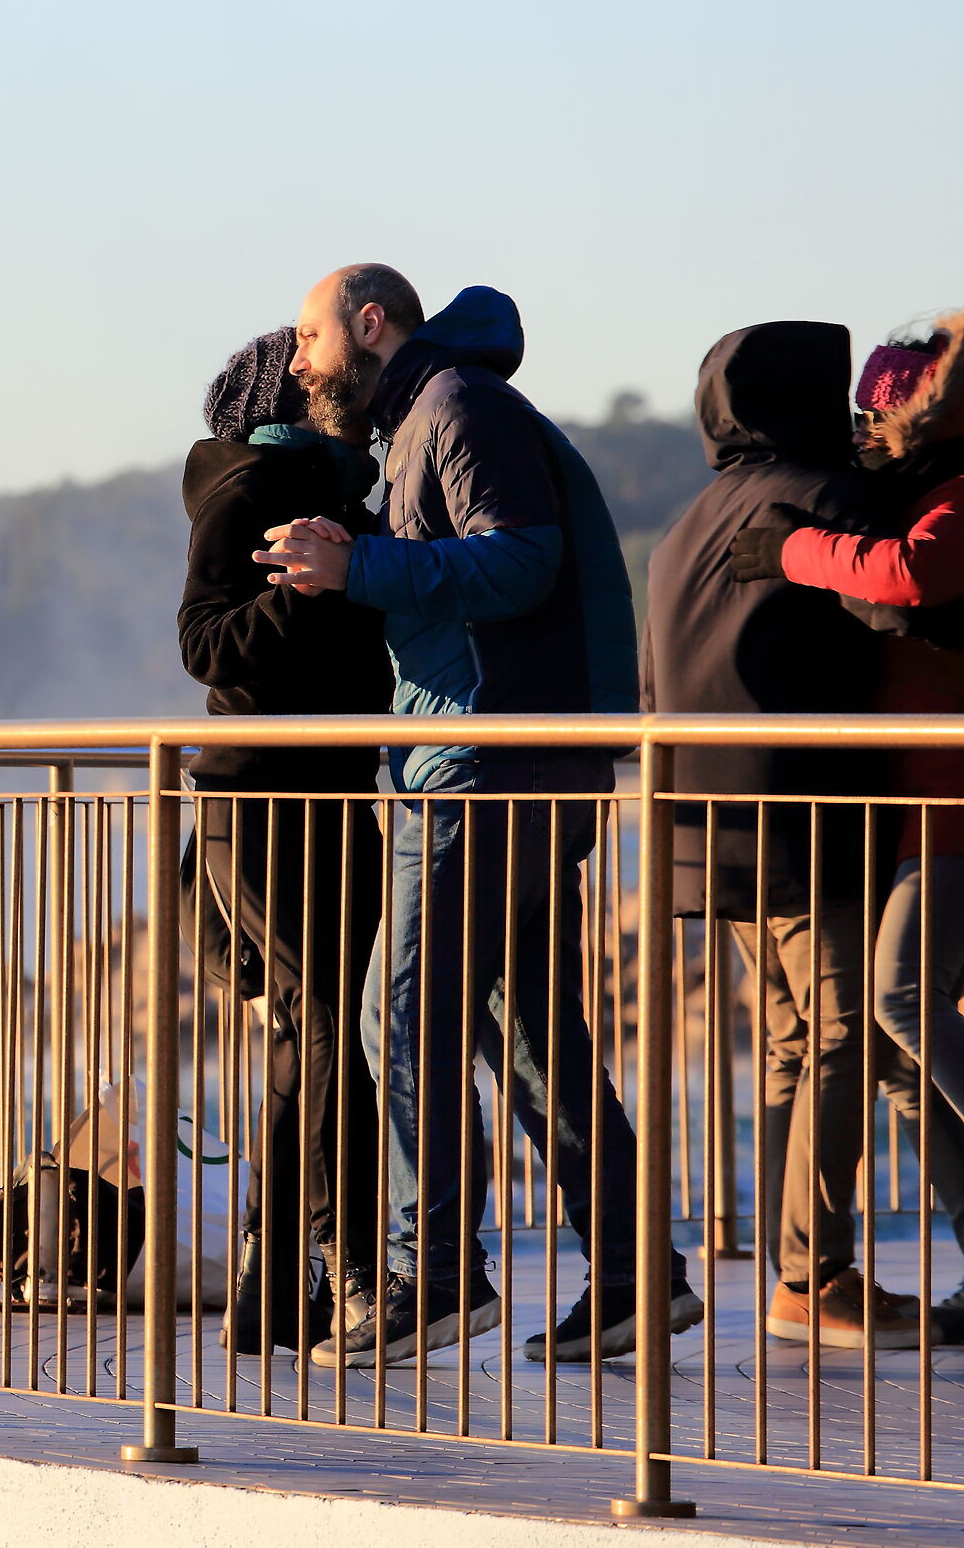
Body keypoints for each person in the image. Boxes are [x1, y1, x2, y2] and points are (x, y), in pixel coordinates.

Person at [255, 264, 700, 1367]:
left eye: (308, 338)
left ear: (371, 323)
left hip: (484, 768)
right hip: (496, 761)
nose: (297, 360)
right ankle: (642, 1273)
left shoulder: (456, 405)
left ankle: (437, 1275)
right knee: (532, 1036)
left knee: (395, 1013)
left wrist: (359, 564)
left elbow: (521, 558)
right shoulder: (420, 420)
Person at [650, 321, 946, 1350]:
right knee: (838, 1034)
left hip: (703, 823)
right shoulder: (820, 500)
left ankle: (797, 1271)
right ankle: (812, 1276)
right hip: (808, 817)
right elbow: (897, 614)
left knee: (789, 1041)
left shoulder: (690, 522)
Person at [726, 318, 964, 1342]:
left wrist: (794, 547)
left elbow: (907, 576)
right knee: (906, 1047)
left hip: (950, 799)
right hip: (912, 803)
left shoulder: (953, 500)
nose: (868, 428)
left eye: (883, 409)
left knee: (901, 995)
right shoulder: (914, 493)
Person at [178, 326, 391, 1352]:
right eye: (308, 370)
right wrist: (300, 592)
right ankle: (340, 1260)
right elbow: (202, 644)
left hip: (326, 793)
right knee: (327, 1029)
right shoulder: (250, 489)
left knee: (311, 1034)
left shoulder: (337, 489)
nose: (329, 376)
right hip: (267, 800)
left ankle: (273, 1281)